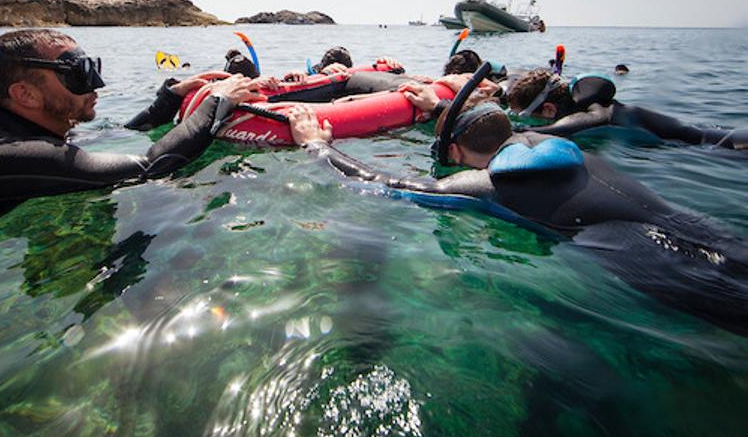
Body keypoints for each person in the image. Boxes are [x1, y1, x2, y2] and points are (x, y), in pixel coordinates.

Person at [287, 70, 748, 335]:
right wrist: (436, 111)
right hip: (697, 226)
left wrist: (317, 147)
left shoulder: (486, 185)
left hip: (643, 255)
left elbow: (382, 182)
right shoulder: (572, 147)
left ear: (454, 154)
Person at [0, 29, 261, 215]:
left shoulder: (10, 126)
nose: (96, 85)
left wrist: (173, 94)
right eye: (78, 74)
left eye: (93, 68)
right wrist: (220, 100)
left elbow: (120, 134)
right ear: (24, 94)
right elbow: (152, 167)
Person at [506, 69, 746, 149]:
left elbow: (598, 119)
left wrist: (525, 131)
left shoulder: (596, 109)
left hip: (722, 146)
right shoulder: (594, 103)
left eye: (527, 115)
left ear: (548, 110)